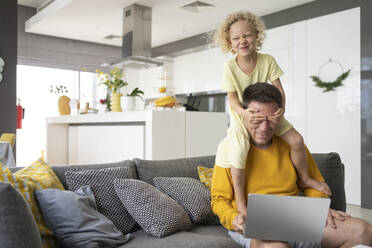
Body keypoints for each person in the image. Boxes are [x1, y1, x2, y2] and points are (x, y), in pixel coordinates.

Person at [211, 83, 372, 248]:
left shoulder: (292, 145)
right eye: (257, 120)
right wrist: (233, 218)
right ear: (244, 114)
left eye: (272, 120)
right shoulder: (230, 147)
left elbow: (313, 183)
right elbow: (219, 199)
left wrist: (319, 208)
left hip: (295, 217)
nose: (265, 128)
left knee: (364, 231)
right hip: (252, 221)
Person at [214, 11, 330, 217]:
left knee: (296, 140)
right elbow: (231, 99)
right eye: (236, 38)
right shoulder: (230, 67)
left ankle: (304, 178)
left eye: (247, 35)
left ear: (257, 36)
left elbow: (279, 90)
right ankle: (241, 203)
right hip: (242, 115)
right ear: (229, 43)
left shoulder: (267, 60)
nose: (242, 41)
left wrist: (280, 110)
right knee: (239, 152)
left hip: (270, 111)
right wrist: (244, 113)